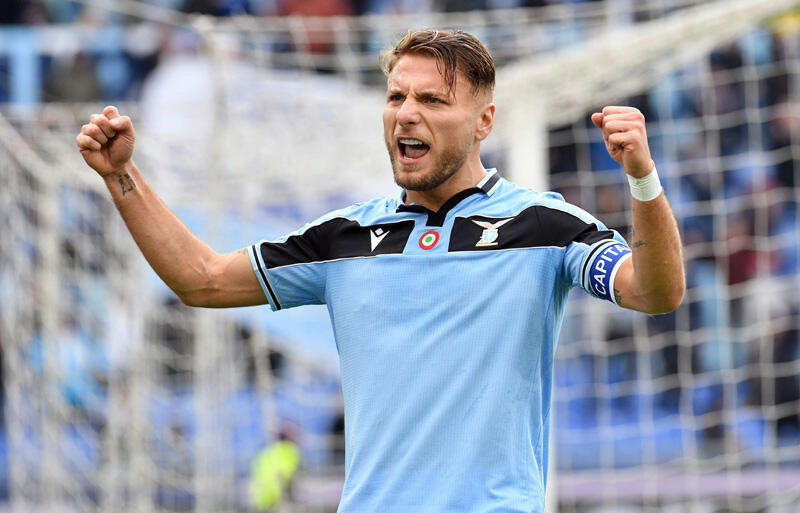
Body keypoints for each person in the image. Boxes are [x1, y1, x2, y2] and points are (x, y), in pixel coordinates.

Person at [77, 29, 684, 513]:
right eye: (396, 97)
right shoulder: (343, 238)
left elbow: (655, 292)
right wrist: (121, 177)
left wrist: (642, 179)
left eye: (432, 100)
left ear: (484, 121)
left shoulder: (544, 225)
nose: (406, 114)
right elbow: (202, 279)